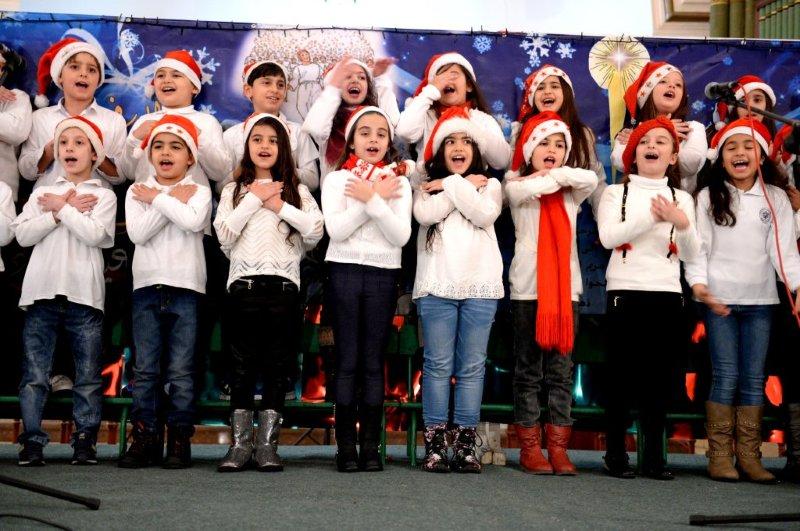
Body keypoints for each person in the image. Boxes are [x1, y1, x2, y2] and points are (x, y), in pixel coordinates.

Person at [686, 118, 800, 483]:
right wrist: (699, 286)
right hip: (720, 301)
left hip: (761, 302)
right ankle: (720, 456)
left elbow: (783, 252)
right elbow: (699, 249)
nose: (740, 153)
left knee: (754, 378)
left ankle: (750, 457)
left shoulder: (776, 198)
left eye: (748, 147)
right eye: (731, 147)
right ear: (720, 159)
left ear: (762, 157)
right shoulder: (708, 197)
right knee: (726, 375)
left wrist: (797, 286)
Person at [215, 114, 323, 472]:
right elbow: (224, 236)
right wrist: (253, 200)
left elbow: (315, 231)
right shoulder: (233, 191)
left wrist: (278, 205)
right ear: (247, 146)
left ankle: (267, 446)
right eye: (257, 139)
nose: (264, 146)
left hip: (283, 290)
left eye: (273, 141)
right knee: (241, 368)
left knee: (278, 366)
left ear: (283, 149)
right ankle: (239, 446)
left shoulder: (297, 191)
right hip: (243, 288)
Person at [598, 116, 699, 480]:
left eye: (661, 141)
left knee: (661, 379)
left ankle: (654, 457)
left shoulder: (682, 198)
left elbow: (691, 252)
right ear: (633, 154)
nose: (651, 146)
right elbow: (609, 237)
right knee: (621, 378)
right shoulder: (615, 193)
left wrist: (681, 223)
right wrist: (653, 218)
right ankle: (616, 454)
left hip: (667, 294)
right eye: (644, 141)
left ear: (673, 156)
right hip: (624, 292)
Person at [13, 116, 116, 466]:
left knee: (87, 375)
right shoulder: (42, 193)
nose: (69, 149)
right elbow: (22, 235)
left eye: (79, 143)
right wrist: (59, 212)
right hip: (41, 294)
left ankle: (85, 440)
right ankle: (32, 440)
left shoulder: (103, 194)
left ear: (94, 154)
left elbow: (95, 235)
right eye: (63, 143)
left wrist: (62, 207)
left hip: (84, 296)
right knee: (35, 375)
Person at [505, 111, 598, 475]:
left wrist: (553, 175)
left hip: (565, 291)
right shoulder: (515, 184)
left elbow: (590, 177)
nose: (552, 149)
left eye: (560, 145)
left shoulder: (571, 190)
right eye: (544, 142)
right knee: (528, 372)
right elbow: (521, 190)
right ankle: (530, 449)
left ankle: (558, 449)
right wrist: (543, 178)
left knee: (561, 373)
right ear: (529, 149)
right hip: (528, 289)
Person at [321, 106, 412, 472]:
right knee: (346, 362)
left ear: (389, 142)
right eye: (365, 132)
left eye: (381, 133)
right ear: (351, 141)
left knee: (373, 363)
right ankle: (346, 449)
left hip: (382, 275)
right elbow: (337, 230)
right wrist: (373, 197)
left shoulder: (398, 182)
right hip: (343, 271)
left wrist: (372, 198)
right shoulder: (336, 180)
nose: (373, 139)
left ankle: (371, 448)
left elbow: (400, 235)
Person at [119, 114, 212, 469]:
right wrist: (169, 197)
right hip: (146, 286)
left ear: (190, 158)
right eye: (158, 146)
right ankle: (145, 436)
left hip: (187, 287)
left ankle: (179, 437)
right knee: (145, 369)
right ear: (149, 155)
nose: (166, 152)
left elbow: (191, 221)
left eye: (176, 146)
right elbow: (139, 234)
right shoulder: (136, 191)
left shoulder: (199, 191)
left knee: (181, 369)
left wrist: (158, 198)